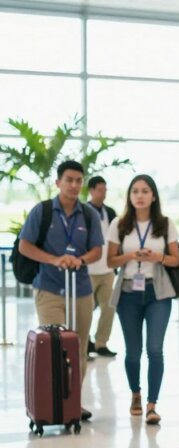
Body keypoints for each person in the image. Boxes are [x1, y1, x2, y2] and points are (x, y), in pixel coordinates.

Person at [18, 160, 104, 422]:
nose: (74, 185)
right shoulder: (42, 211)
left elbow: (97, 250)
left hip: (81, 289)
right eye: (69, 180)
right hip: (50, 289)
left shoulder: (88, 214)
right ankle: (53, 403)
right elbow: (25, 246)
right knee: (55, 347)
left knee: (78, 349)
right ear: (58, 183)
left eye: (79, 180)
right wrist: (54, 259)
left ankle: (72, 403)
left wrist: (80, 259)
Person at [106, 174, 179, 425]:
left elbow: (175, 259)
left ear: (153, 195)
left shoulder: (165, 224)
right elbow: (110, 261)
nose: (139, 195)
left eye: (145, 191)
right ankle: (135, 394)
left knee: (155, 349)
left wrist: (156, 256)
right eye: (135, 191)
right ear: (129, 195)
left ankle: (152, 405)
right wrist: (130, 256)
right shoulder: (119, 223)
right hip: (128, 293)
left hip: (157, 292)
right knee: (133, 352)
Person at [85, 175, 118, 359]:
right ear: (91, 190)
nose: (103, 193)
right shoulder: (83, 211)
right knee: (86, 310)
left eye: (105, 190)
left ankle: (101, 343)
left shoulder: (110, 212)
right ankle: (85, 343)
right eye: (100, 190)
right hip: (88, 271)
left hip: (107, 270)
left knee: (109, 307)